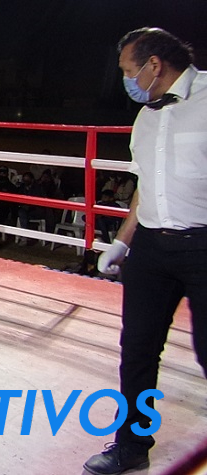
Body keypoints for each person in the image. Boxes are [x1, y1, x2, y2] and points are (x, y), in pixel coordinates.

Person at [84, 28, 207, 475]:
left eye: (128, 71)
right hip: (152, 248)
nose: (126, 81)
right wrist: (123, 240)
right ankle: (132, 445)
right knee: (137, 349)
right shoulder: (146, 117)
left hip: (204, 244)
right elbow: (145, 186)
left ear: (154, 65)